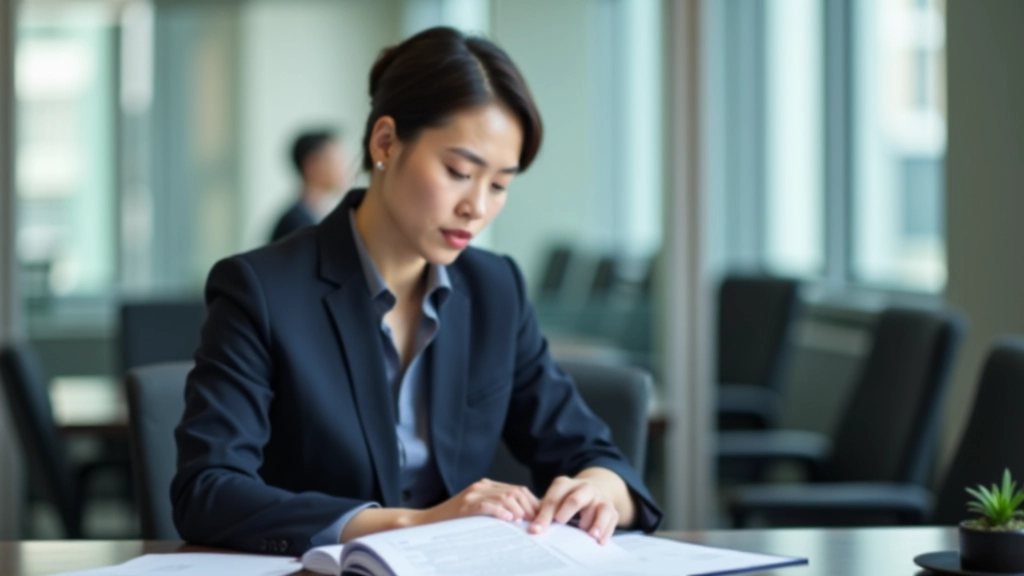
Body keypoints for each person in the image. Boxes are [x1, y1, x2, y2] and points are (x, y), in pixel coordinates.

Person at [172, 26, 662, 556]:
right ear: (385, 142)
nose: (477, 206)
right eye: (458, 172)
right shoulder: (262, 289)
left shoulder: (495, 288)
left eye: (499, 185)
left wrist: (597, 492)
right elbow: (208, 491)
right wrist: (415, 523)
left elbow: (597, 455)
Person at [269, 129, 348, 242]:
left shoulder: (316, 217)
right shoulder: (295, 226)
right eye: (338, 161)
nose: (345, 169)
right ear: (313, 165)